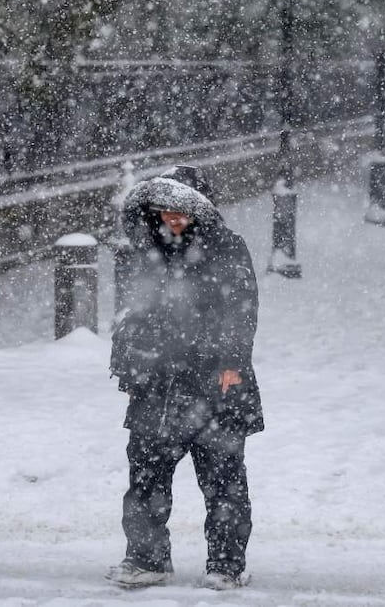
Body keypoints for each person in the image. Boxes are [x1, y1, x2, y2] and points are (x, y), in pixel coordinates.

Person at [105, 165, 263, 591]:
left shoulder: (227, 248)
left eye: (181, 210)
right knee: (145, 480)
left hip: (215, 385)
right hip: (156, 386)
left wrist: (230, 361)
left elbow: (241, 308)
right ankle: (146, 559)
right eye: (165, 209)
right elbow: (128, 312)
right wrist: (129, 361)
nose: (173, 218)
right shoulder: (139, 252)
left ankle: (227, 564)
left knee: (223, 480)